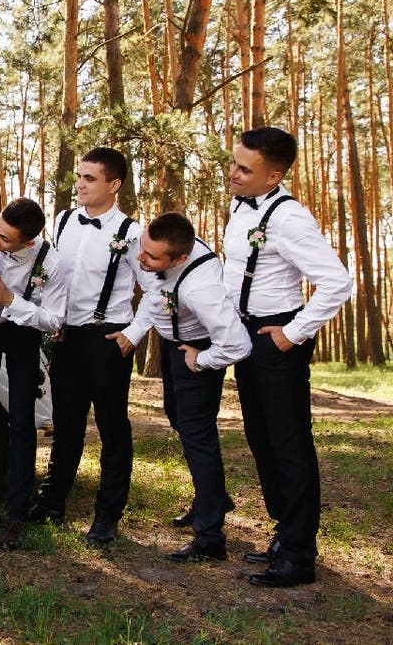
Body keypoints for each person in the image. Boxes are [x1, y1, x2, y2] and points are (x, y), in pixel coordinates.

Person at [224, 127, 350, 587]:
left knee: (289, 443)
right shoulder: (240, 206)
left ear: (273, 176)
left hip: (277, 337)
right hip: (246, 335)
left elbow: (336, 282)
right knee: (260, 438)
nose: (232, 174)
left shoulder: (290, 218)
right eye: (234, 162)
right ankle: (284, 534)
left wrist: (292, 333)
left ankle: (299, 554)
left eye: (244, 169)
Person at [112, 212, 251, 562]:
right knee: (178, 418)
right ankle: (213, 496)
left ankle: (210, 537)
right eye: (142, 249)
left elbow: (237, 344)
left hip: (200, 349)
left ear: (180, 259)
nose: (141, 259)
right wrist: (135, 332)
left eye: (152, 257)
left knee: (197, 435)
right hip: (175, 345)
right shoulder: (154, 253)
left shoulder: (199, 287)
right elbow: (153, 295)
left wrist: (201, 360)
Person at [30, 147, 148, 547]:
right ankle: (52, 502)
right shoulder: (63, 221)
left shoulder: (131, 232)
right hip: (67, 338)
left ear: (114, 185)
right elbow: (55, 277)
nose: (79, 184)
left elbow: (154, 290)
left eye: (90, 178)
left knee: (113, 429)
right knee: (66, 425)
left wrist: (133, 334)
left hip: (107, 338)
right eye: (79, 177)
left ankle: (107, 515)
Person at [0, 198, 68, 550]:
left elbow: (54, 320)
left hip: (22, 332)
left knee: (22, 423)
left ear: (28, 242)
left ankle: (17, 515)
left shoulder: (51, 262)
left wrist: (11, 299)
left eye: (6, 239)